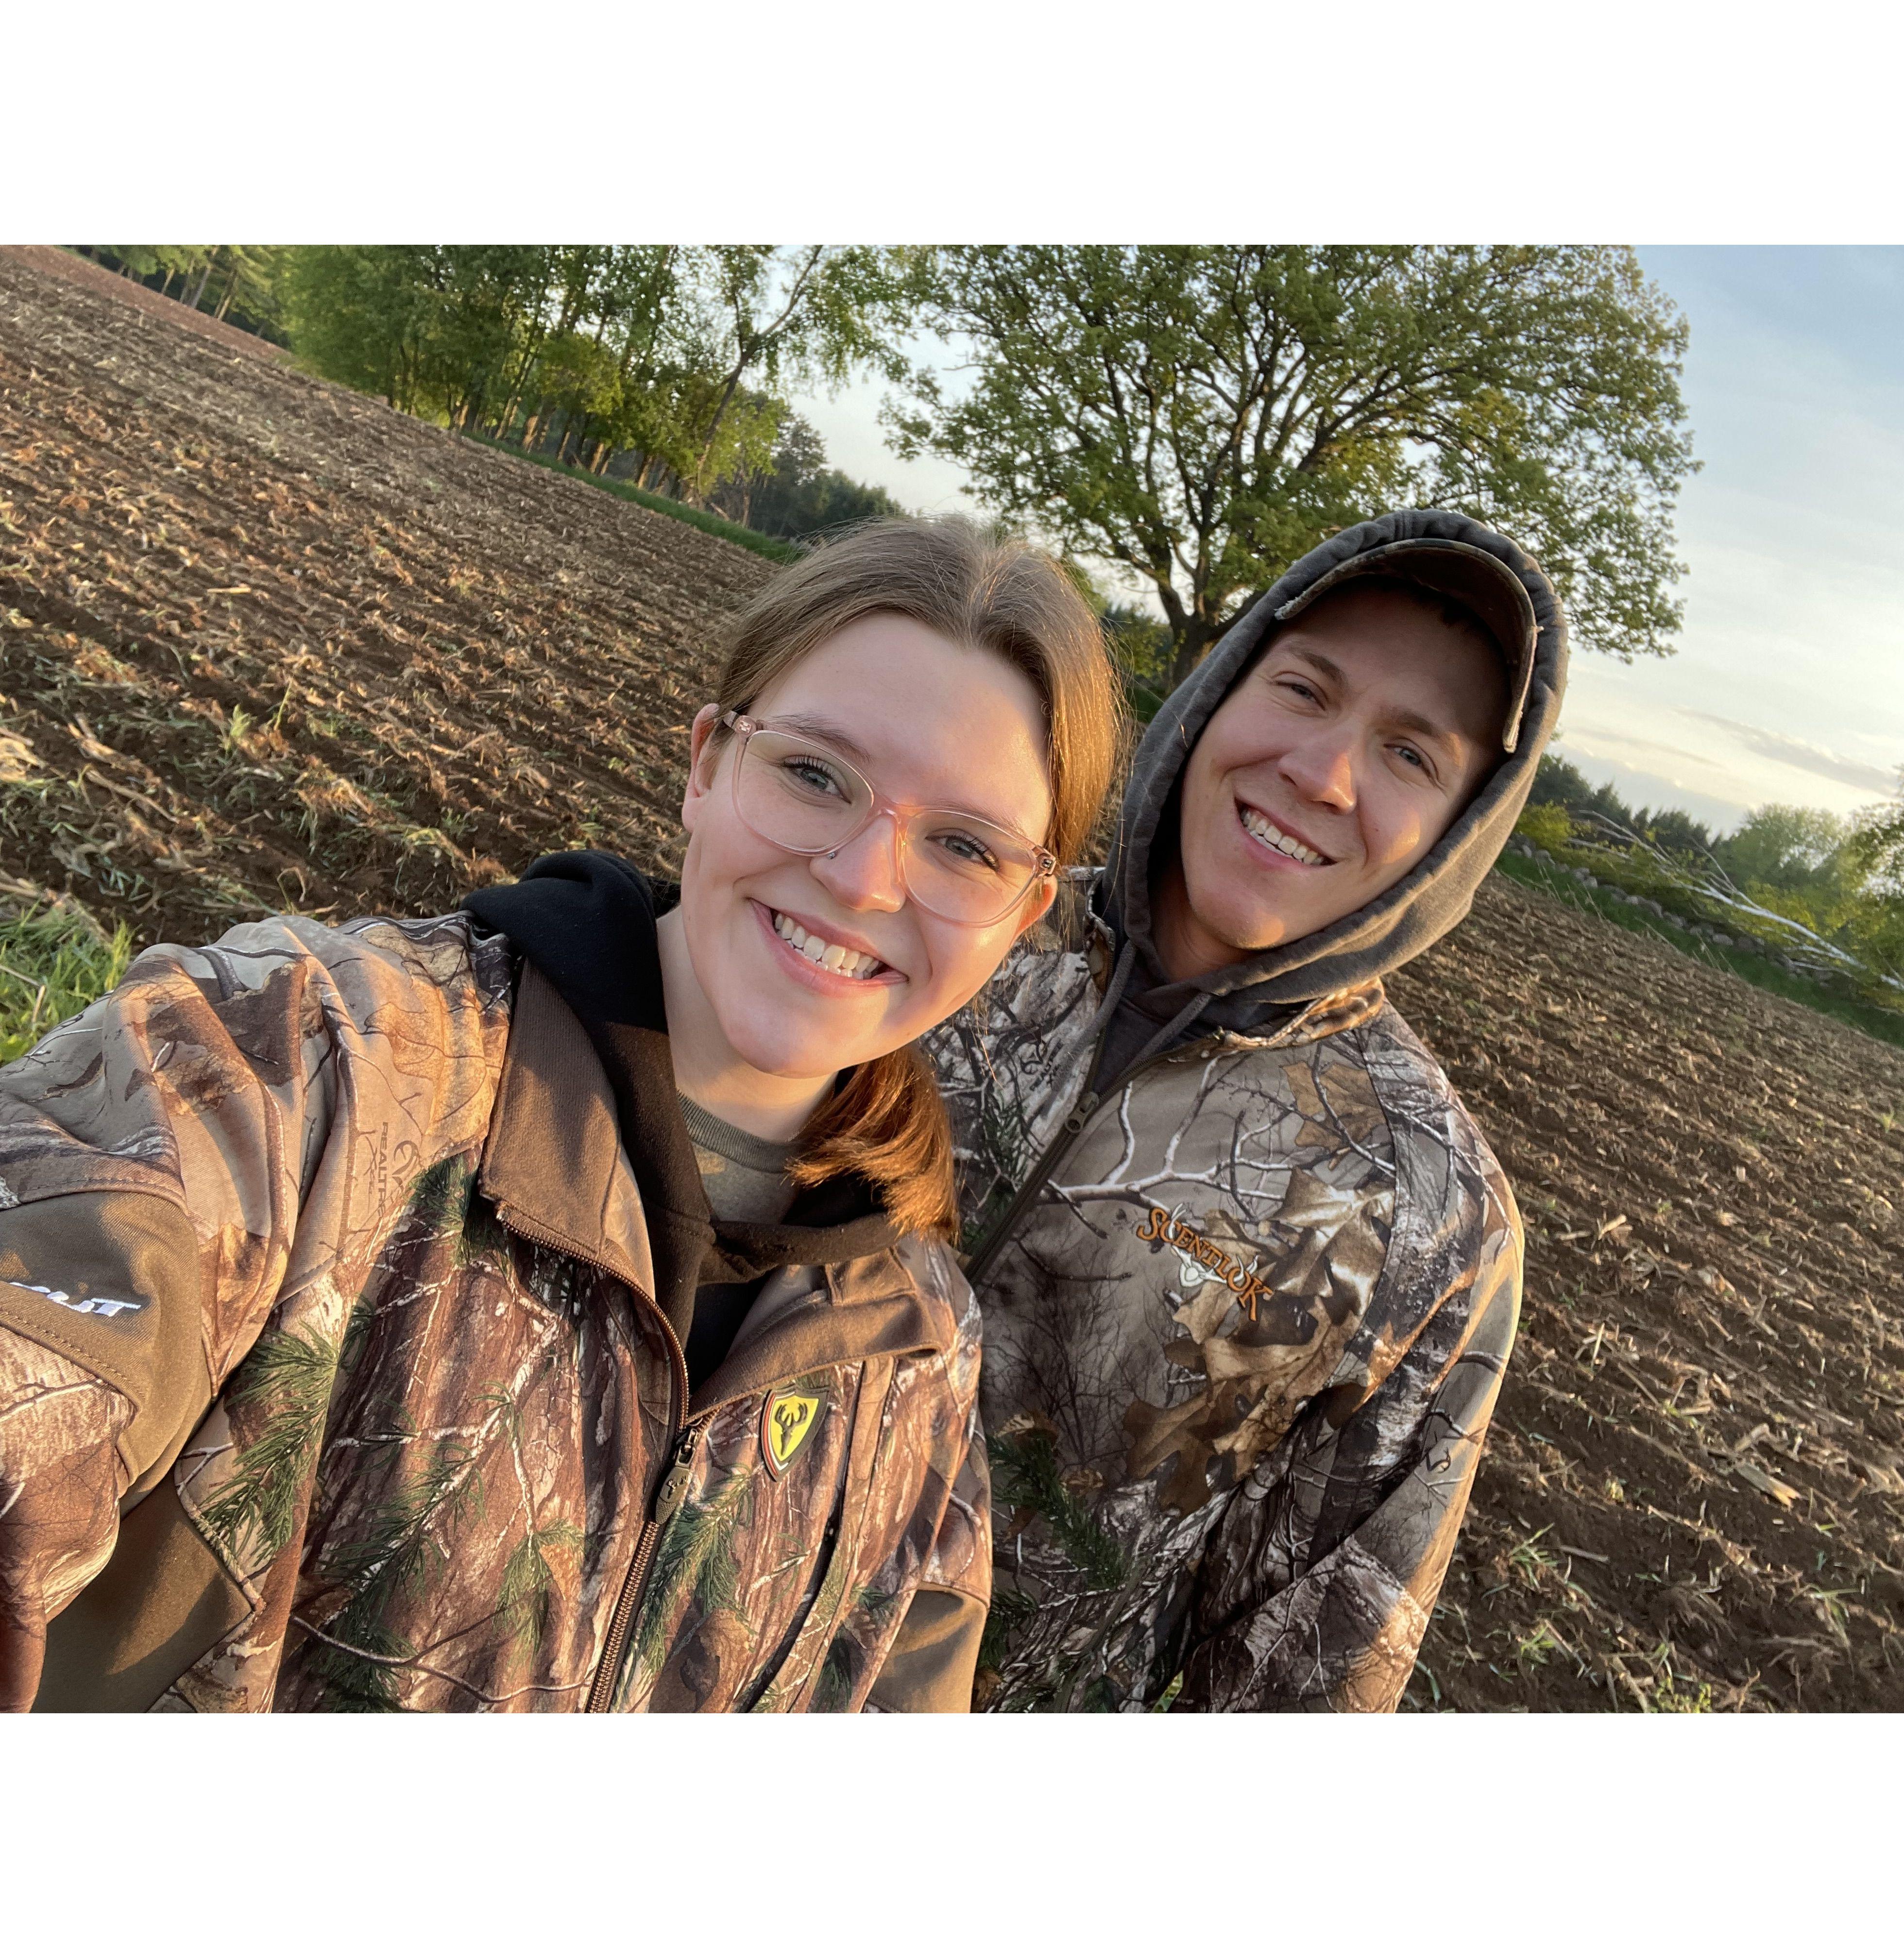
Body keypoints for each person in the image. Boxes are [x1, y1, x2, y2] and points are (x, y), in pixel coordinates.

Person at [0, 516, 1122, 1713]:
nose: (861, 878)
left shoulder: (919, 1353)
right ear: (705, 766)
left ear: (1024, 910)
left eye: (964, 846)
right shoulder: (305, 1056)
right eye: (812, 774)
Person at [925, 507, 1568, 1711]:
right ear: (1220, 689)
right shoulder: (962, 906)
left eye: (1412, 756)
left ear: (1457, 841)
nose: (1322, 775)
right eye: (1305, 689)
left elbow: (1303, 1692)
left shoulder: (1423, 1211)